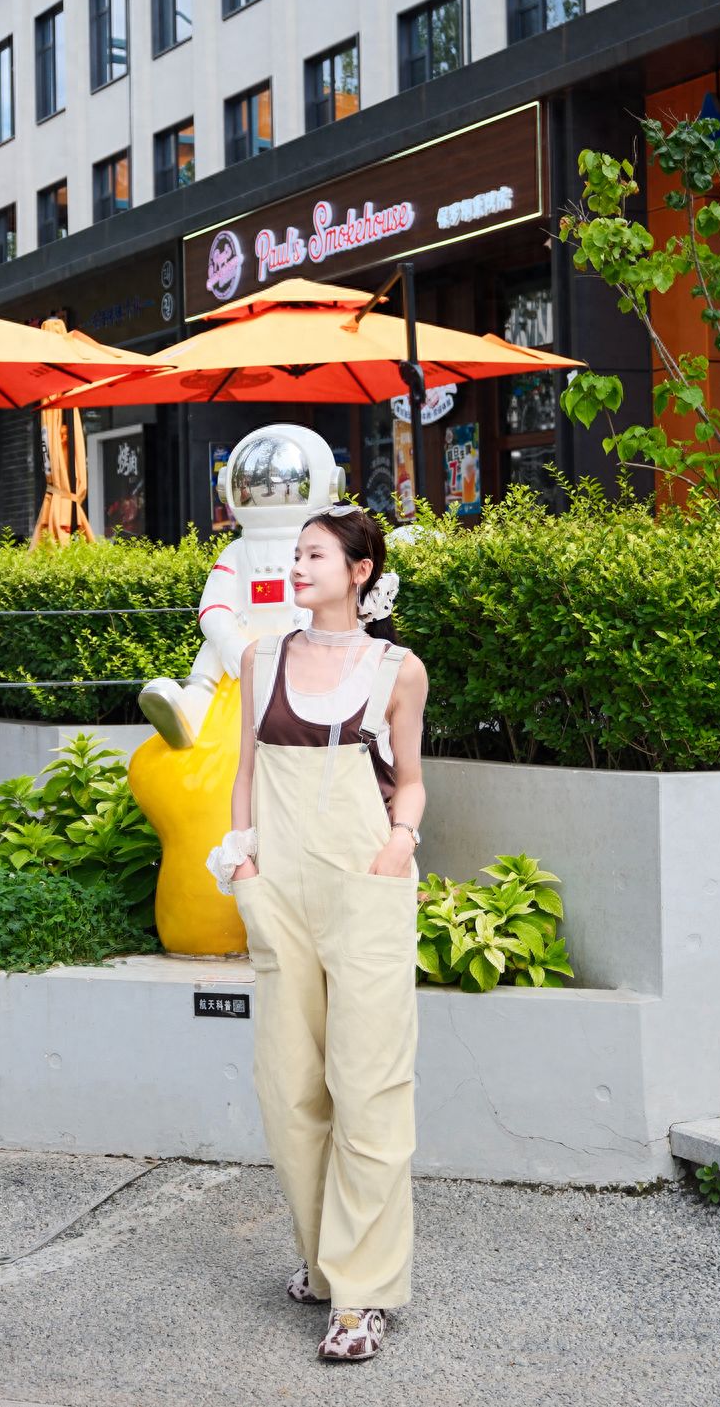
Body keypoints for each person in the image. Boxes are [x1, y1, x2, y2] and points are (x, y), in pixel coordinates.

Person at [205, 504, 428, 1363]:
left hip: (365, 886)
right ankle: (324, 1257)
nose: (297, 567)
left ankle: (361, 1297)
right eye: (294, 553)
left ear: (360, 570)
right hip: (281, 890)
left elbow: (408, 781)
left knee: (369, 1086)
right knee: (289, 1088)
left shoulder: (398, 668)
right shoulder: (263, 658)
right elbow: (244, 775)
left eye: (314, 554)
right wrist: (247, 870)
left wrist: (398, 843)